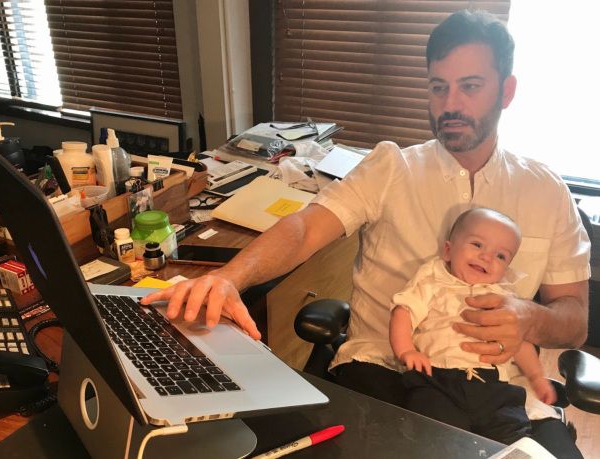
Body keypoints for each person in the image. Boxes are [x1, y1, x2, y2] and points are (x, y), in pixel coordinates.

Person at [142, 9, 590, 458]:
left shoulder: (546, 191)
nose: (450, 104)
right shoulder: (392, 166)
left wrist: (530, 318)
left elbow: (574, 318)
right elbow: (304, 227)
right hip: (383, 373)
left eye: (470, 86)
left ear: (506, 91)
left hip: (502, 394)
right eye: (438, 87)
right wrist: (229, 278)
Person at [390, 207, 556, 444]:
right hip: (438, 379)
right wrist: (406, 350)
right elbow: (404, 312)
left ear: (505, 270)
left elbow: (518, 343)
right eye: (477, 245)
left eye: (501, 256)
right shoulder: (433, 280)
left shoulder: (504, 298)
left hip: (493, 387)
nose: (487, 257)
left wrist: (537, 377)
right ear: (448, 250)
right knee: (433, 428)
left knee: (514, 436)